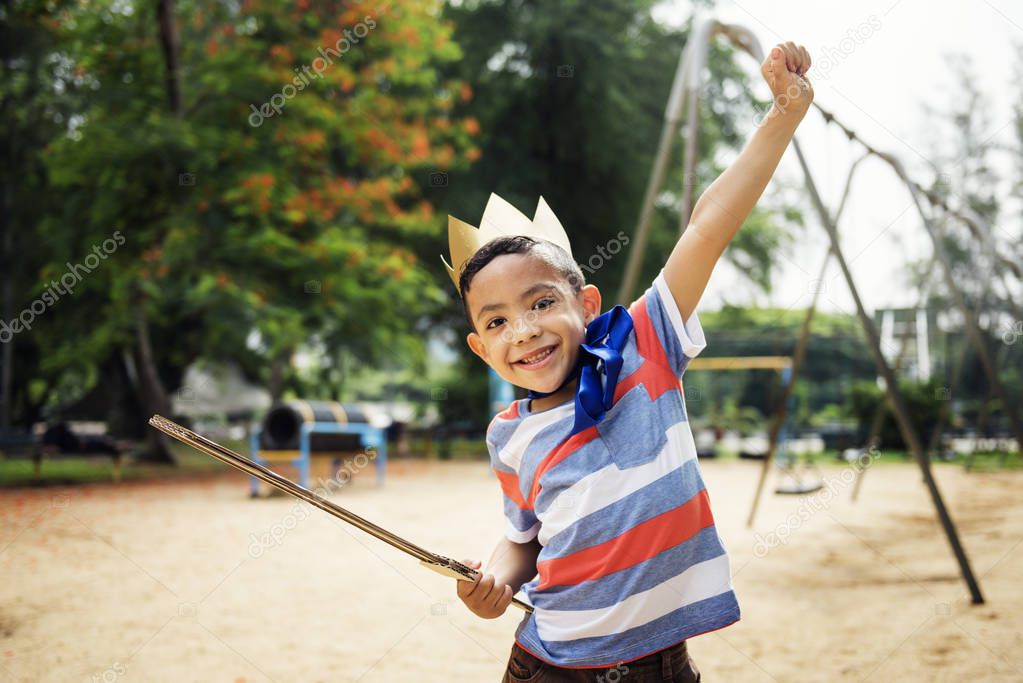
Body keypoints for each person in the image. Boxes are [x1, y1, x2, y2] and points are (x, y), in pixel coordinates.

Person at [446, 41, 813, 681]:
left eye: (540, 302)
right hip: (551, 663)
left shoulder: (644, 343)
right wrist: (493, 581)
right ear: (481, 347)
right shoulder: (508, 435)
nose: (524, 331)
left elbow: (706, 227)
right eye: (497, 321)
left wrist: (782, 113)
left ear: (585, 304)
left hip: (662, 665)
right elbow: (524, 541)